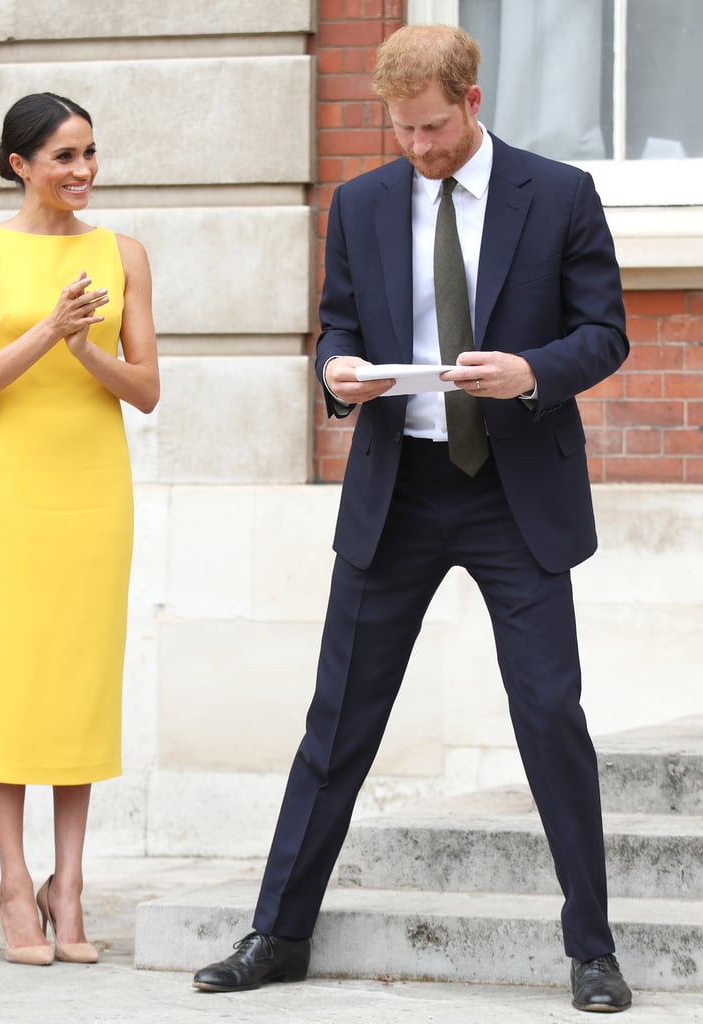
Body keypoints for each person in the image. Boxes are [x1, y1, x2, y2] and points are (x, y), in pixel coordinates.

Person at [193, 24, 632, 1013]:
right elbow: (337, 325)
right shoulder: (361, 203)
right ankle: (279, 932)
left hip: (514, 492)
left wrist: (531, 373)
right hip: (399, 489)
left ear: (471, 102)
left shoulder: (557, 194)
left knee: (549, 715)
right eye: (401, 130)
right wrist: (337, 376)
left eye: (432, 126)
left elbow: (604, 332)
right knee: (338, 718)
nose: (418, 146)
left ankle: (593, 950)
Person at [0, 92, 159, 966]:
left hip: (94, 488)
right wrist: (48, 329)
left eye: (91, 153)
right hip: (11, 492)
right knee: (14, 683)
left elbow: (144, 389)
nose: (84, 172)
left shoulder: (125, 254)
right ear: (19, 164)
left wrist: (85, 349)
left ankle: (69, 891)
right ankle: (11, 882)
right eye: (65, 156)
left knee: (78, 684)